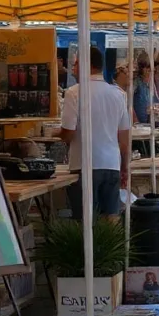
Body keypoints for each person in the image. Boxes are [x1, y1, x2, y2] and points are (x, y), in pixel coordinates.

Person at [61, 46, 132, 221]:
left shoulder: (74, 93)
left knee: (85, 220)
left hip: (84, 164)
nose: (73, 68)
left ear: (88, 65)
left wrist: (57, 133)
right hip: (111, 164)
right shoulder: (118, 94)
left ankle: (88, 249)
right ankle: (112, 248)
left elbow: (68, 133)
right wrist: (125, 166)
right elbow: (124, 138)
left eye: (76, 64)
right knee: (111, 217)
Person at [132, 59, 152, 124]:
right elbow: (129, 98)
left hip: (148, 118)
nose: (148, 71)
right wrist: (134, 118)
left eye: (149, 70)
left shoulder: (150, 83)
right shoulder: (137, 82)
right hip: (137, 119)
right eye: (146, 69)